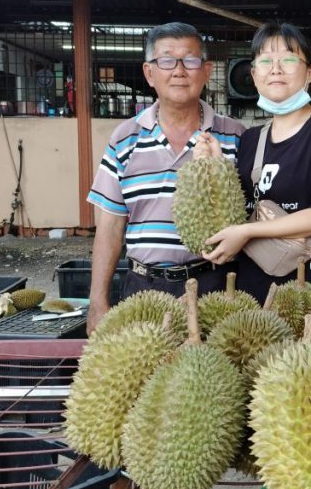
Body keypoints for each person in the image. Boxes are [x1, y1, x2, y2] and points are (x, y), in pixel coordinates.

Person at [86, 21, 245, 336]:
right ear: (149, 73)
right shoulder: (124, 138)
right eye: (167, 60)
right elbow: (110, 228)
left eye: (190, 60)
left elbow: (249, 217)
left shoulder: (235, 135)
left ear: (206, 69)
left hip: (215, 286)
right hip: (144, 288)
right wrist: (97, 301)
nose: (180, 70)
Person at [201, 22, 311, 311]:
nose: (276, 69)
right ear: (254, 74)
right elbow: (242, 209)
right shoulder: (250, 140)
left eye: (288, 59)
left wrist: (247, 233)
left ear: (309, 72)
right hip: (256, 292)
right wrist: (215, 166)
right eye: (265, 61)